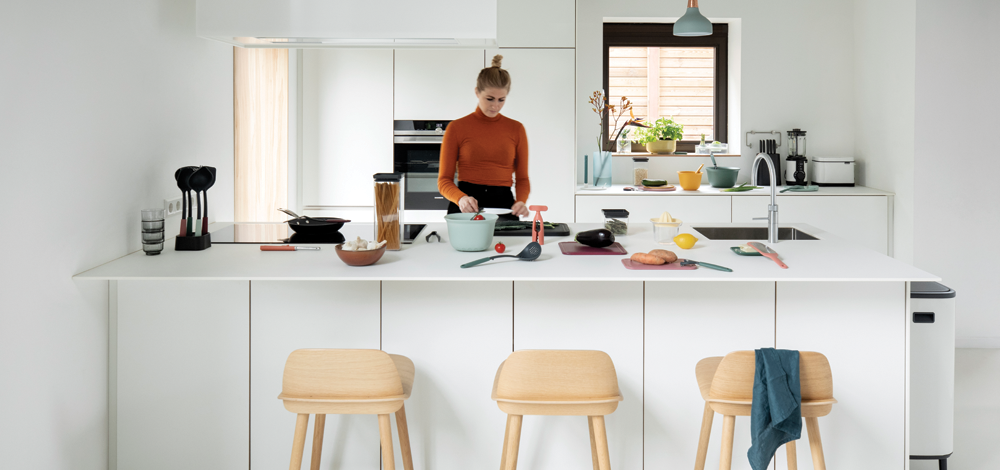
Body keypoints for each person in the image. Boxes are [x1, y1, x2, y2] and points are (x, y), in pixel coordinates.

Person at [437, 54, 530, 218]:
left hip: (504, 207)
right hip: (466, 206)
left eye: (502, 99)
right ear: (477, 92)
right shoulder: (456, 128)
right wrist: (461, 199)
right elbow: (444, 180)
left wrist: (521, 201)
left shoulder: (516, 129)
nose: (496, 106)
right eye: (490, 98)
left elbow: (522, 178)